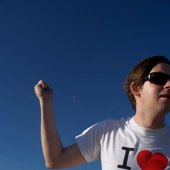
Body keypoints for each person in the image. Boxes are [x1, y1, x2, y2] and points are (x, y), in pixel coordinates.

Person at [34, 55, 170, 170]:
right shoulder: (109, 131)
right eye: (158, 78)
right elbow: (55, 160)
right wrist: (45, 101)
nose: (168, 84)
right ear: (136, 89)